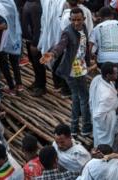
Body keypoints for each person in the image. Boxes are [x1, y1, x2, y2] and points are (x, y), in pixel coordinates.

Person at [40, 7, 92, 136]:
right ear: (70, 19)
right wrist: (52, 54)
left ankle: (74, 128)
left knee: (76, 97)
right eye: (73, 20)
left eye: (78, 20)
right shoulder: (68, 32)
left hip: (81, 66)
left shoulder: (84, 28)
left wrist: (88, 61)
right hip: (73, 69)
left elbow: (84, 49)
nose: (76, 23)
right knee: (84, 97)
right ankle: (85, 127)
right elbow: (61, 45)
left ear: (83, 19)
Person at [89, 7, 118, 104]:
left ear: (100, 17)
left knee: (105, 82)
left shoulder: (97, 28)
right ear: (112, 16)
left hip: (103, 62)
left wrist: (91, 57)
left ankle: (105, 101)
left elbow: (89, 47)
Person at [0, 0, 23, 95]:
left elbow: (4, 25)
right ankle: (19, 85)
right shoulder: (10, 1)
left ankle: (11, 88)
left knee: (4, 63)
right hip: (14, 36)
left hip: (2, 40)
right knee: (14, 62)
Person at [89, 63, 118, 147]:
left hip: (101, 117)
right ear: (108, 75)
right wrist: (114, 112)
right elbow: (98, 116)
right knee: (106, 147)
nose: (117, 74)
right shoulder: (107, 95)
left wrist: (117, 91)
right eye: (115, 73)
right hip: (105, 126)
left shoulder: (97, 79)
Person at [22, 0, 46, 96]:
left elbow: (37, 26)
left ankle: (41, 86)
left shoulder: (36, 6)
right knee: (33, 62)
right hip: (29, 39)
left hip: (34, 41)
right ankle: (37, 81)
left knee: (38, 63)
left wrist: (35, 44)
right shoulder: (28, 3)